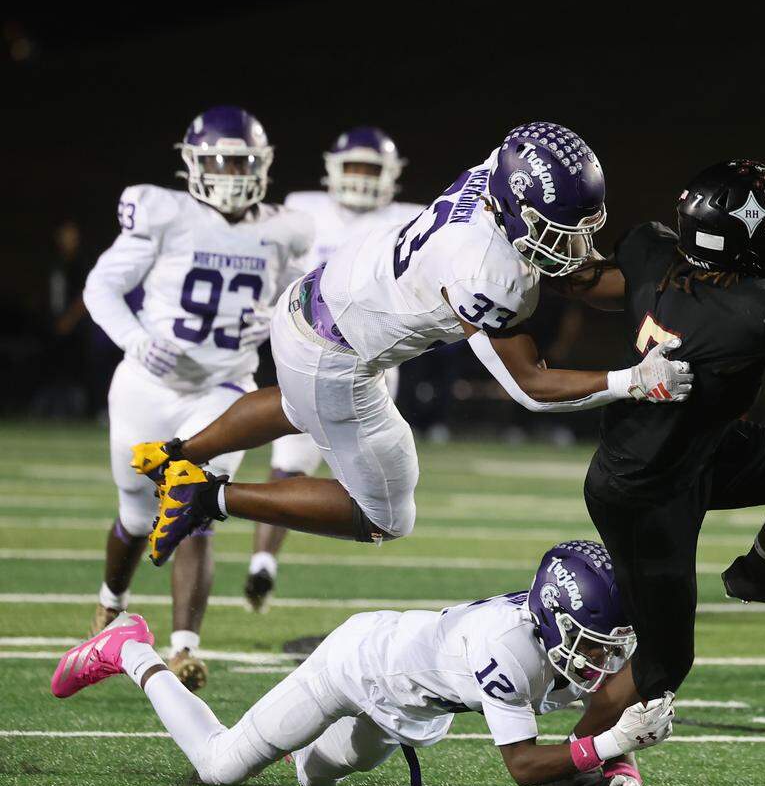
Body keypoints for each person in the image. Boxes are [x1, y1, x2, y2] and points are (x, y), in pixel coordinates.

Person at [129, 122, 691, 565]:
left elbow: (568, 266)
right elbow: (531, 386)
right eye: (553, 226)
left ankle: (173, 454)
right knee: (384, 516)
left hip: (312, 299)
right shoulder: (489, 276)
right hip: (338, 358)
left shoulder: (494, 171)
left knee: (295, 404)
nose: (571, 241)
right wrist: (633, 382)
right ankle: (205, 496)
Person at [546, 160, 765, 708]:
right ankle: (577, 766)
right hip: (645, 490)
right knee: (665, 662)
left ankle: (761, 573)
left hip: (699, 449)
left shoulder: (653, 252)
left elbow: (593, 288)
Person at [50, 540, 674, 786]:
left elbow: (613, 698)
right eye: (595, 644)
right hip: (357, 667)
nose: (603, 660)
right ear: (556, 620)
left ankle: (284, 733)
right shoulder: (505, 646)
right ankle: (130, 649)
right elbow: (523, 767)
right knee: (221, 765)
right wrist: (617, 747)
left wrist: (620, 772)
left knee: (310, 779)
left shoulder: (564, 638)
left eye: (611, 645)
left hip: (414, 707)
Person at [82, 106, 313, 689]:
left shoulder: (285, 227)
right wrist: (135, 339)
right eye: (223, 158)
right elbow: (101, 285)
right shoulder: (166, 213)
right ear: (194, 162)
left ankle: (184, 647)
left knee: (196, 502)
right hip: (148, 384)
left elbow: (303, 297)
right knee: (137, 514)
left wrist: (282, 320)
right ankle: (111, 601)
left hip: (224, 387)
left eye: (245, 160)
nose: (234, 171)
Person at [246, 127, 423, 612]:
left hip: (376, 363)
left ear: (391, 175)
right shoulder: (304, 212)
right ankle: (263, 561)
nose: (362, 178)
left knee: (369, 482)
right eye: (355, 167)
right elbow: (274, 268)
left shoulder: (409, 221)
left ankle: (363, 522)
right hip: (309, 352)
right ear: (332, 169)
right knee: (290, 462)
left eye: (371, 168)